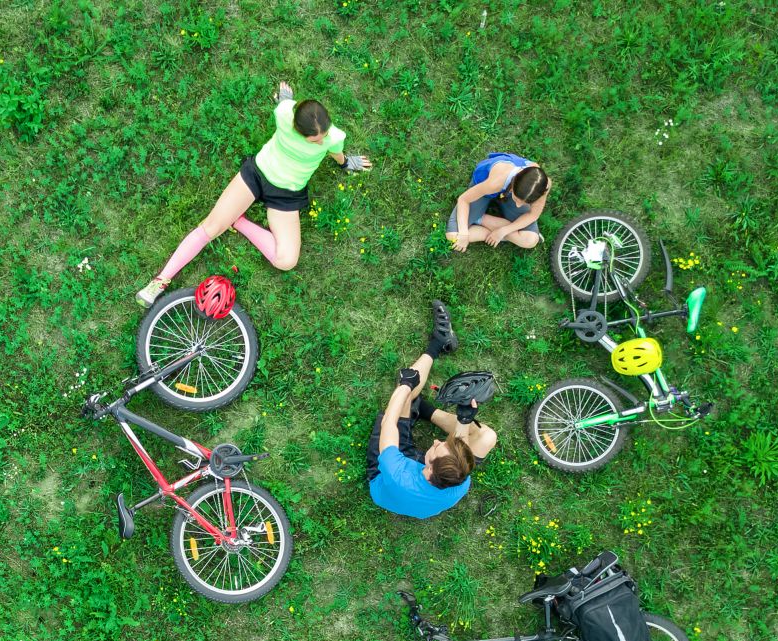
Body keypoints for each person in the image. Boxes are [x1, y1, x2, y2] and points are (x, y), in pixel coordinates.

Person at [137, 81, 373, 306]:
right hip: (257, 174)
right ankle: (159, 282)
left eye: (322, 137)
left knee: (287, 260)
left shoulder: (333, 137)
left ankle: (238, 221)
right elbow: (283, 104)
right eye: (314, 140)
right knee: (210, 227)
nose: (320, 143)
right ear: (295, 128)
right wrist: (285, 98)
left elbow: (335, 153)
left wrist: (346, 163)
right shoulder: (283, 115)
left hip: (287, 195)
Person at [366, 302, 498, 520]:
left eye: (437, 448)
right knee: (487, 437)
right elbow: (458, 447)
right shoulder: (459, 481)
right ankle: (424, 409)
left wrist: (405, 385)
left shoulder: (396, 471)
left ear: (428, 469)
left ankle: (437, 344)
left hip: (385, 478)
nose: (436, 441)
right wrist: (464, 420)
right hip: (426, 476)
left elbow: (388, 422)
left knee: (405, 396)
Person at [447, 152, 551, 252]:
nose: (518, 205)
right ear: (512, 187)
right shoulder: (497, 181)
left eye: (525, 202)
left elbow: (533, 215)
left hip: (508, 192)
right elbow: (463, 199)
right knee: (453, 237)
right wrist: (464, 234)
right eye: (517, 199)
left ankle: (480, 219)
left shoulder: (542, 185)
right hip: (486, 189)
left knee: (530, 240)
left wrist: (503, 231)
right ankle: (483, 222)